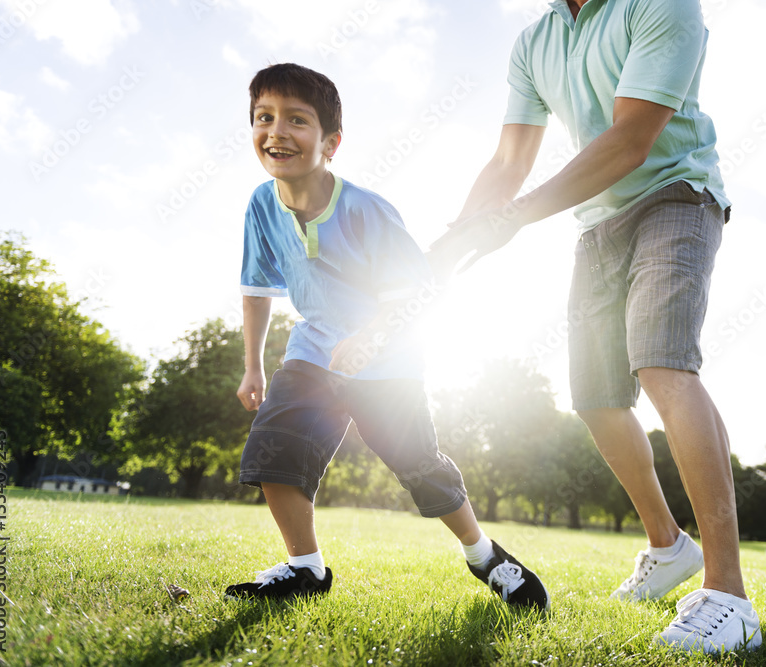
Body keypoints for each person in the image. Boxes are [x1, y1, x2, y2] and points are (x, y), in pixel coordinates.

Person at [429, 0, 760, 654]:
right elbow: (507, 162)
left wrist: (517, 217)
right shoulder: (535, 40)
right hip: (595, 223)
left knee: (662, 364)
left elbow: (632, 139)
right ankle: (668, 546)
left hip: (675, 194)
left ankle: (729, 592)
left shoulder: (662, 5)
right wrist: (451, 239)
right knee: (596, 397)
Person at [226, 63, 548, 611]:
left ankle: (483, 555)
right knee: (273, 449)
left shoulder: (365, 210)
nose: (276, 131)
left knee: (419, 465)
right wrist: (253, 365)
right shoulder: (262, 203)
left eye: (297, 120)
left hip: (390, 359)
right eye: (264, 117)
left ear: (331, 143)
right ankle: (305, 567)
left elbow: (416, 291)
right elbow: (256, 288)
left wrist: (371, 335)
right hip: (313, 352)